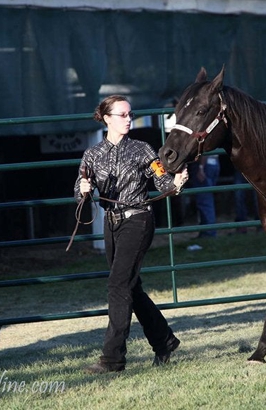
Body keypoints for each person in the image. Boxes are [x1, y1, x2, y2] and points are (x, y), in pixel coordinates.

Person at [74, 95, 188, 374]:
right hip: (111, 224)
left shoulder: (143, 150)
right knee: (130, 287)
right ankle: (165, 341)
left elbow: (162, 180)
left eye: (129, 114)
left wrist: (176, 183)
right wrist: (84, 191)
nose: (128, 119)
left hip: (138, 220)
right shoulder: (91, 155)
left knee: (117, 286)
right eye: (122, 115)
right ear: (106, 118)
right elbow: (79, 190)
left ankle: (112, 359)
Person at [188, 154, 220, 238]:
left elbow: (205, 149)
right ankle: (206, 231)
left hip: (205, 165)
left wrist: (201, 167)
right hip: (214, 162)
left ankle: (209, 233)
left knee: (205, 201)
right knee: (207, 200)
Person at [233, 170, 259, 234]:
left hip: (256, 168)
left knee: (258, 197)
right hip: (241, 168)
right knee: (238, 196)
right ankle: (241, 226)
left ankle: (261, 225)